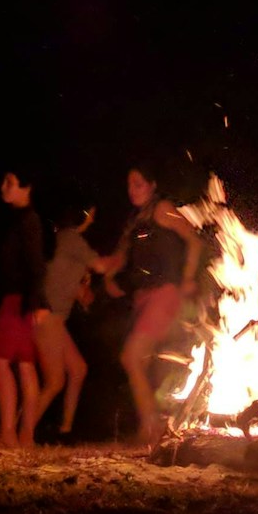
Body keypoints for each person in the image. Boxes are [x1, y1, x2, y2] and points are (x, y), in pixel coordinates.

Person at [91, 164, 203, 445]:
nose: (132, 190)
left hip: (166, 294)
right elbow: (117, 258)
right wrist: (106, 275)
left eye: (138, 183)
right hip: (144, 297)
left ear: (152, 185)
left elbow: (194, 240)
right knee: (143, 363)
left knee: (131, 357)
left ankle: (150, 428)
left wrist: (188, 278)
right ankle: (158, 427)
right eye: (129, 185)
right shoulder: (134, 220)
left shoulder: (162, 209)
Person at [0, 168, 49, 447]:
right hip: (24, 299)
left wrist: (36, 302)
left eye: (9, 182)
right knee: (25, 366)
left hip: (19, 300)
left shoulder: (28, 220)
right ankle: (26, 437)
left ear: (26, 187)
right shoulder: (20, 220)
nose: (3, 187)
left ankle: (9, 433)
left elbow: (36, 264)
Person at [34, 203, 99, 438]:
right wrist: (123, 253)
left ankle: (65, 430)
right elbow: (101, 265)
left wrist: (82, 288)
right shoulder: (71, 241)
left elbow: (82, 296)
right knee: (54, 382)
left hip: (54, 317)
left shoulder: (64, 241)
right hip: (48, 316)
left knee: (78, 369)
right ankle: (19, 431)